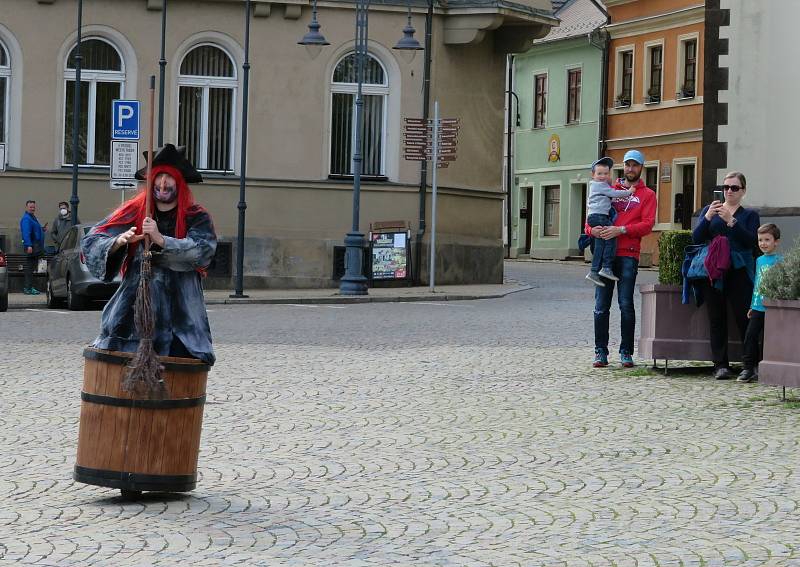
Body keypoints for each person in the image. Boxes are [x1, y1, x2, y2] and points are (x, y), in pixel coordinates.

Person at [81, 144, 217, 364]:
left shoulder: (196, 216)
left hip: (181, 324)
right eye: (158, 176)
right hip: (130, 320)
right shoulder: (134, 211)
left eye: (169, 177)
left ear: (179, 182)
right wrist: (118, 241)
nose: (163, 183)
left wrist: (162, 240)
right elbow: (91, 241)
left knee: (177, 377)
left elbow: (202, 251)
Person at [586, 149, 656, 368]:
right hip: (605, 255)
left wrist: (621, 230)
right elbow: (590, 219)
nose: (630, 169)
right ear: (623, 167)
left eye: (635, 165)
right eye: (627, 165)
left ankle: (626, 351)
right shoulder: (608, 188)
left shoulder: (648, 195)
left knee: (626, 304)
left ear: (641, 168)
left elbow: (647, 225)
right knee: (601, 305)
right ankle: (600, 352)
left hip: (628, 255)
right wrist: (592, 231)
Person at [692, 171, 760, 380]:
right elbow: (696, 237)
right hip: (713, 270)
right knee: (716, 318)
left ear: (743, 191)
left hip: (738, 269)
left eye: (734, 188)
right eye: (726, 187)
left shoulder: (749, 215)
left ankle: (750, 364)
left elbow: (751, 241)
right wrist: (707, 218)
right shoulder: (710, 210)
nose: (729, 191)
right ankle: (720, 365)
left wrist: (732, 221)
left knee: (744, 317)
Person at [738, 223, 783, 383]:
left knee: (769, 339)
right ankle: (748, 368)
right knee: (750, 336)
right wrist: (751, 305)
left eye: (767, 240)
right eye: (760, 240)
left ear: (776, 241)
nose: (763, 243)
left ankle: (767, 368)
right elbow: (757, 282)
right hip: (757, 307)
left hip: (772, 308)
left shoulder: (781, 261)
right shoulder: (759, 260)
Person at [585, 157, 634, 286]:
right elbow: (613, 193)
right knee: (611, 236)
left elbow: (609, 199)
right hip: (599, 216)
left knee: (600, 245)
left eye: (606, 174)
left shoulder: (597, 186)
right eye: (599, 174)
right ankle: (606, 267)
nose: (603, 176)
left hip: (594, 217)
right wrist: (629, 192)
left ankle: (594, 271)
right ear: (593, 175)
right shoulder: (599, 185)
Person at [19, 200, 48, 295]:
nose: (32, 208)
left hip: (35, 246)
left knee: (32, 268)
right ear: (26, 207)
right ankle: (28, 288)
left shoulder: (32, 217)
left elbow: (35, 230)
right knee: (29, 268)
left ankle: (30, 287)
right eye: (31, 207)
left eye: (33, 207)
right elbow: (26, 233)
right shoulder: (27, 219)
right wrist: (29, 245)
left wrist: (42, 229)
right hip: (32, 247)